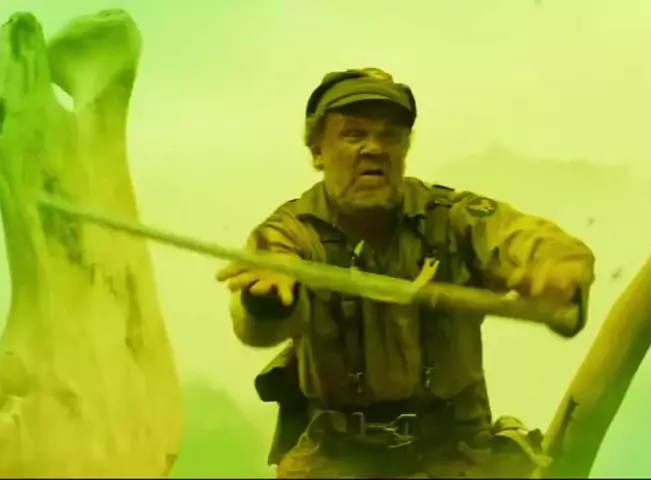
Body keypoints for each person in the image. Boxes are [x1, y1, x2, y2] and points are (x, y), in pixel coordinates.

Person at [215, 67, 596, 478]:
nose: (374, 149)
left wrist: (555, 267)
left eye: (390, 136)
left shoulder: (450, 217)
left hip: (455, 455)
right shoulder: (292, 231)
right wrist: (268, 297)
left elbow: (518, 236)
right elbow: (260, 314)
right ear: (317, 151)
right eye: (354, 134)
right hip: (338, 457)